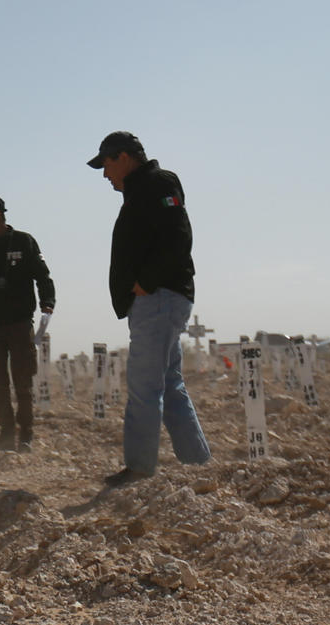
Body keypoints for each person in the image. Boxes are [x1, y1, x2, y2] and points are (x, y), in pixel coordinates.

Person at [89, 130, 210, 485]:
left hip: (158, 298)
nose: (104, 174)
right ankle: (197, 463)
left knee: (144, 384)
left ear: (124, 157)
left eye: (106, 164)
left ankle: (139, 468)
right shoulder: (139, 193)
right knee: (168, 383)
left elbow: (178, 235)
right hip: (155, 298)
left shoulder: (158, 183)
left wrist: (147, 282)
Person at [0, 194, 55, 452]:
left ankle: (26, 434)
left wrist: (47, 303)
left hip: (19, 323)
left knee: (23, 381)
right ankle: (6, 433)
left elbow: (43, 276)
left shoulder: (24, 242)